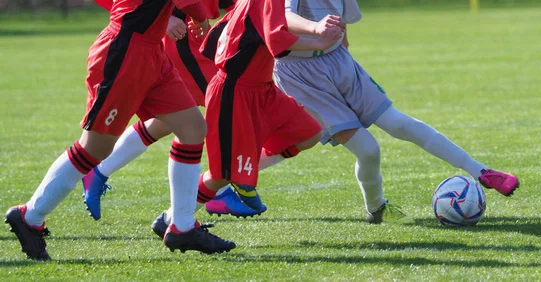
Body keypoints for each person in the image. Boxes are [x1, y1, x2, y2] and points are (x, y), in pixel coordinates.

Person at [211, 0, 521, 224]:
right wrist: (317, 28)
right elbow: (284, 17)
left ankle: (481, 171)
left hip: (340, 64)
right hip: (301, 75)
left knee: (399, 123)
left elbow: (342, 25)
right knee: (368, 150)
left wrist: (342, 55)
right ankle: (377, 209)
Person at [5, 0, 235, 261]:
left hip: (150, 50)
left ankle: (181, 226)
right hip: (124, 50)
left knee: (193, 128)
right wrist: (201, 18)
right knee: (95, 148)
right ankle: (30, 216)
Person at [147, 0, 345, 238]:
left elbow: (220, 34)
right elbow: (276, 42)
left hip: (262, 89)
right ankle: (174, 220)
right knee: (221, 176)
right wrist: (319, 42)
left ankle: (243, 169)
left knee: (309, 132)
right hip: (235, 92)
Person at [82, 0, 266, 222]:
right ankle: (215, 191)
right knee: (225, 103)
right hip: (182, 38)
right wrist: (165, 16)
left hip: (199, 34)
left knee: (173, 120)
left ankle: (99, 171)